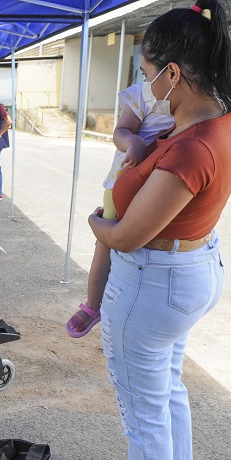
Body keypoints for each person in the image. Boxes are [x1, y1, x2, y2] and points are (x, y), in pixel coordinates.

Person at [79, 1, 231, 460]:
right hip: (193, 268)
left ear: (174, 74)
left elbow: (126, 235)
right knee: (168, 385)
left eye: (149, 73)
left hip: (154, 282)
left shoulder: (190, 147)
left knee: (143, 411)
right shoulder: (225, 124)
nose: (144, 84)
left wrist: (95, 223)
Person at [66, 83, 175, 337]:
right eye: (145, 72)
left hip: (161, 184)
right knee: (106, 241)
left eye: (147, 69)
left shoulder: (195, 96)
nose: (145, 75)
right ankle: (93, 305)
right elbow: (121, 131)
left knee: (149, 247)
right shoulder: (144, 93)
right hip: (123, 178)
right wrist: (132, 141)